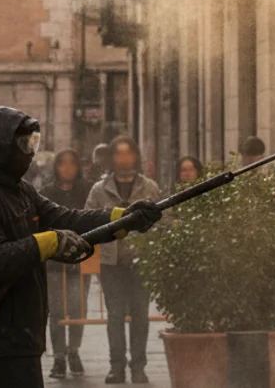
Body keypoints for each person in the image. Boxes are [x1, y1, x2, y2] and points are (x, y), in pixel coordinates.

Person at [0, 107, 162, 388]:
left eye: (32, 144)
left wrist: (122, 218)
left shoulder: (19, 190)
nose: (30, 152)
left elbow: (66, 218)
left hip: (20, 333)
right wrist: (51, 241)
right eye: (24, 145)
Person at [85, 135, 162, 385]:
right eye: (118, 153)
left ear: (135, 157)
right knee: (115, 316)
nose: (124, 158)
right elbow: (88, 218)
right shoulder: (100, 189)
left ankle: (138, 367)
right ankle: (116, 366)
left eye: (128, 153)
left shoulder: (149, 187)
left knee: (140, 316)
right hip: (111, 263)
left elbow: (164, 220)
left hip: (140, 261)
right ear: (112, 158)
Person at [41, 150, 93, 378]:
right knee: (57, 312)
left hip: (81, 259)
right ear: (56, 167)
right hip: (54, 261)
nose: (68, 169)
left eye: (72, 164)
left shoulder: (87, 190)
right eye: (63, 164)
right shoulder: (47, 192)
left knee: (77, 309)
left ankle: (74, 351)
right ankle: (59, 356)